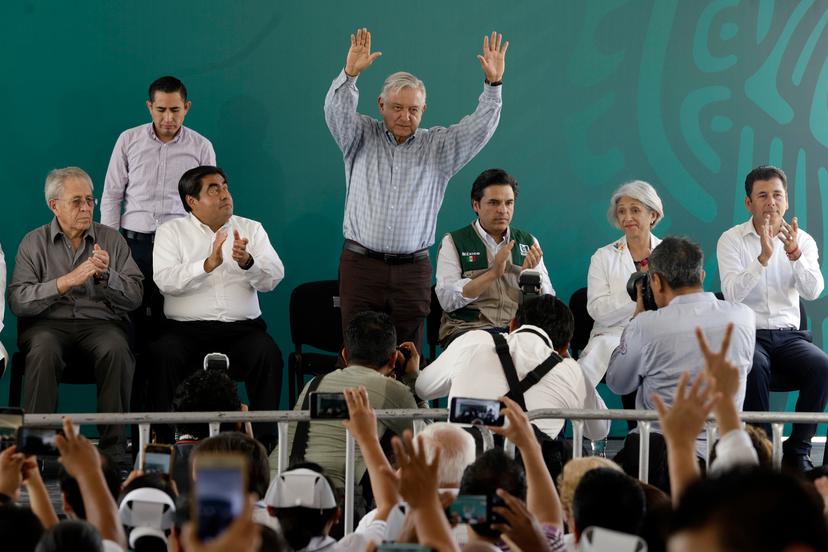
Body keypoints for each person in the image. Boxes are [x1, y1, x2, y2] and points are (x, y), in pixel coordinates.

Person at [326, 27, 508, 353]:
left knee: (407, 358)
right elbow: (335, 113)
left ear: (423, 111)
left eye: (413, 109)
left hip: (413, 271)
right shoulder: (359, 136)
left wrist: (493, 87)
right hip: (361, 266)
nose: (404, 116)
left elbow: (477, 130)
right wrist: (349, 75)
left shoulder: (438, 147)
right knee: (358, 354)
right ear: (381, 105)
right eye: (397, 107)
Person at [9, 167, 143, 460]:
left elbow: (135, 296)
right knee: (43, 349)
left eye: (90, 200)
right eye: (77, 201)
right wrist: (66, 281)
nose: (86, 208)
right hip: (48, 325)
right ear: (54, 205)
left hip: (100, 324)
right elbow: (18, 301)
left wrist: (107, 276)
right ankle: (35, 450)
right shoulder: (34, 243)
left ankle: (114, 452)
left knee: (116, 348)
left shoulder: (112, 241)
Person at [148, 165, 284, 447]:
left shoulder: (251, 229)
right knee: (162, 354)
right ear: (192, 201)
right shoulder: (170, 232)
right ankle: (164, 444)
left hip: (242, 331)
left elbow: (274, 277)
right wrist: (206, 265)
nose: (225, 194)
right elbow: (165, 281)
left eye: (225, 186)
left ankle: (265, 445)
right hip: (185, 332)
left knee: (268, 353)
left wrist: (248, 262)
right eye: (214, 189)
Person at [606, 236, 755, 491]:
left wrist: (634, 326)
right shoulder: (744, 317)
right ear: (702, 274)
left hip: (656, 461)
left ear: (655, 281)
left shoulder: (646, 325)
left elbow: (618, 383)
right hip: (724, 458)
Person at [717, 165, 828, 471]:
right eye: (762, 195)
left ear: (787, 200)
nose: (771, 202)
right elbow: (731, 295)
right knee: (754, 365)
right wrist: (763, 258)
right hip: (747, 333)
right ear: (748, 203)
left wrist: (793, 254)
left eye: (777, 195)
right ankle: (762, 453)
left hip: (790, 336)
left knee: (823, 367)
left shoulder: (802, 240)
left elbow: (814, 290)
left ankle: (798, 451)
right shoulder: (732, 240)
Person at [416, 294, 609, 442]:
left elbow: (423, 389)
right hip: (529, 484)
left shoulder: (472, 340)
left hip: (463, 476)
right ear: (565, 346)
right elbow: (600, 430)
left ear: (512, 324)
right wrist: (574, 368)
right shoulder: (569, 370)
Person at [279, 311, 422, 492]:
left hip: (276, 489)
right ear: (393, 359)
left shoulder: (312, 384)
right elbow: (427, 442)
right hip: (330, 501)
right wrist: (413, 380)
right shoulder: (393, 390)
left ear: (345, 355)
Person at [435, 168, 555, 347]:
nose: (503, 210)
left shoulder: (528, 242)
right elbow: (447, 300)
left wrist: (528, 280)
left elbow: (547, 302)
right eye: (494, 202)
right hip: (469, 330)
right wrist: (493, 273)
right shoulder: (454, 241)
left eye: (509, 203)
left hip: (517, 331)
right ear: (476, 205)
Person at [578, 180, 664, 388]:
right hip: (611, 337)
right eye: (622, 212)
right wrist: (636, 290)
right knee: (579, 381)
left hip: (660, 336)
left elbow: (679, 306)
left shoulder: (669, 253)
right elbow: (597, 311)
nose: (627, 218)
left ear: (653, 215)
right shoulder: (603, 256)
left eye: (635, 210)